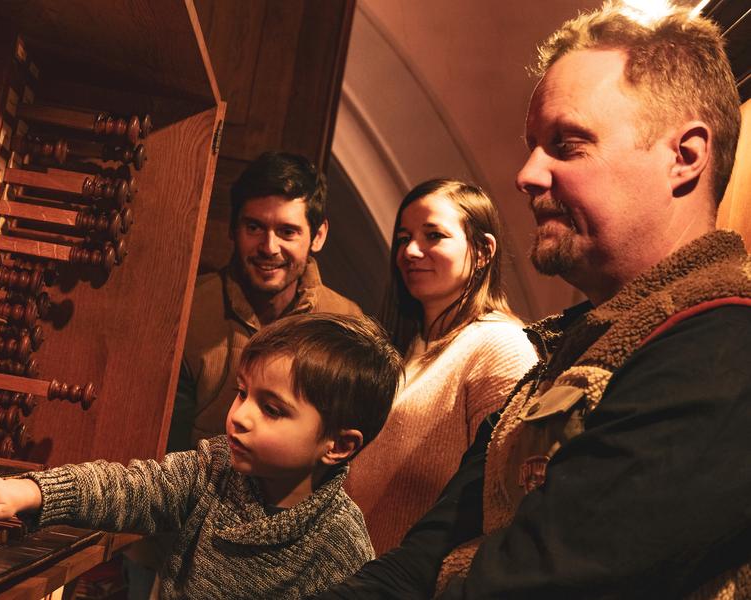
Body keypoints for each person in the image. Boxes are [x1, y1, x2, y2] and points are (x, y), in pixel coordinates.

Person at [316, 2, 750, 598]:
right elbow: (428, 549)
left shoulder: (726, 347)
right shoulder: (564, 348)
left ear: (685, 156)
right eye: (532, 145)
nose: (526, 173)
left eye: (566, 145)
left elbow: (536, 581)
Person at [0, 313, 403, 600]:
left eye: (273, 409)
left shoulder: (340, 547)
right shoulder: (216, 468)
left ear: (337, 446)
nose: (239, 417)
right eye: (242, 393)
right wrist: (28, 490)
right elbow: (135, 485)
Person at [343, 180, 536, 554]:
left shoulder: (501, 346)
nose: (411, 251)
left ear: (482, 251)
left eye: (434, 235)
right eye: (403, 238)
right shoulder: (405, 345)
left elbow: (503, 502)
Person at [168, 151, 362, 451]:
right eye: (254, 228)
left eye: (287, 232)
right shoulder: (189, 307)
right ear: (233, 229)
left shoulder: (346, 322)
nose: (269, 248)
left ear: (318, 235)